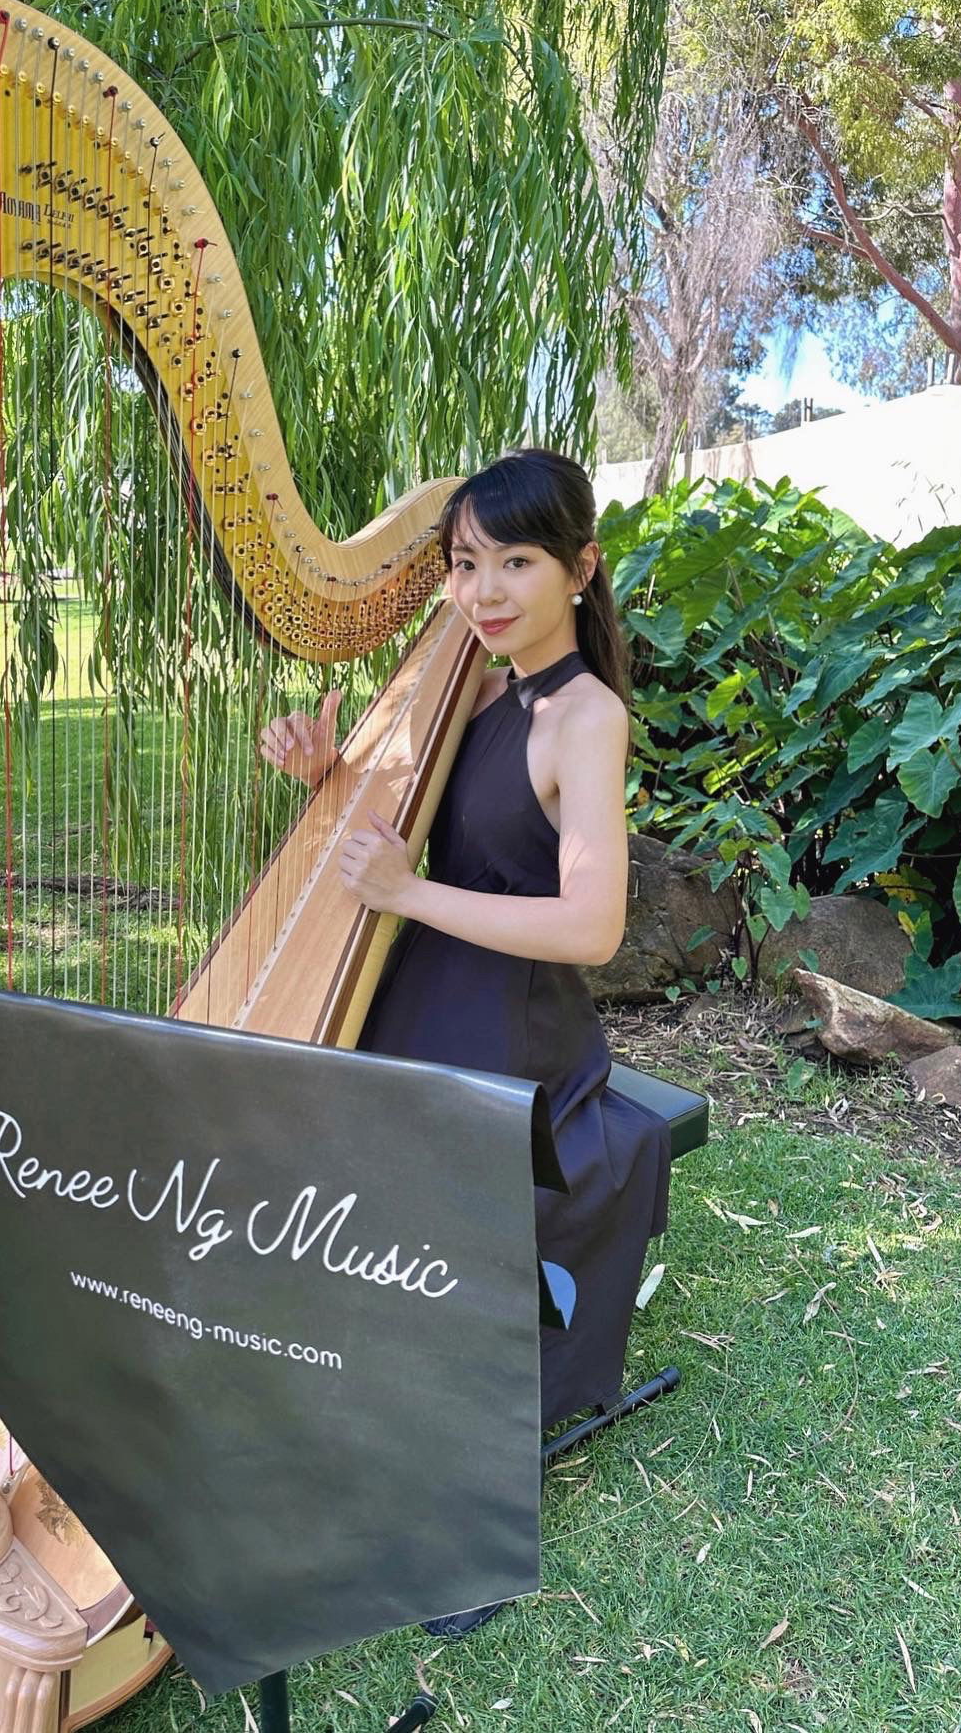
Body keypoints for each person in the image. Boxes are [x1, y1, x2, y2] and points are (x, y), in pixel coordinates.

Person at [258, 447, 670, 1637]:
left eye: (517, 563)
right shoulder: (470, 684)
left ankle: (453, 1497)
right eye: (465, 565)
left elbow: (590, 927)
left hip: (515, 1021)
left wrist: (409, 895)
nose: (485, 592)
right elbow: (418, 832)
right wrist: (326, 774)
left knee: (414, 1199)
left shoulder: (585, 718)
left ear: (581, 569)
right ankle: (350, 1414)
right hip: (431, 985)